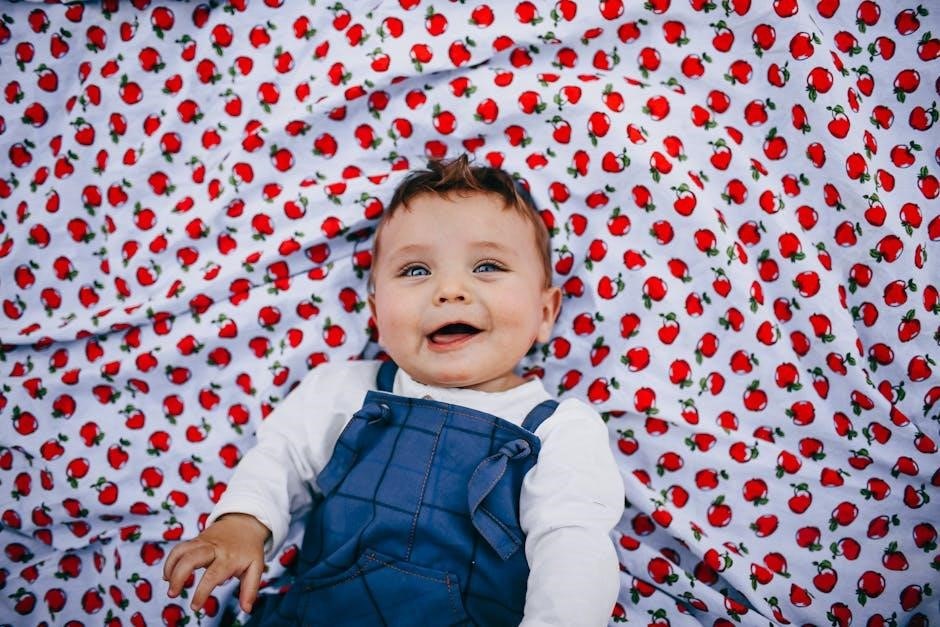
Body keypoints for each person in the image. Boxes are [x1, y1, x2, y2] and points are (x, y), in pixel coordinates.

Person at [163, 155, 624, 625]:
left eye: (487, 266)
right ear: (376, 314)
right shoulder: (344, 390)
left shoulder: (559, 430)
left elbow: (574, 549)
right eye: (416, 271)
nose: (450, 290)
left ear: (545, 313)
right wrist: (242, 522)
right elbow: (279, 461)